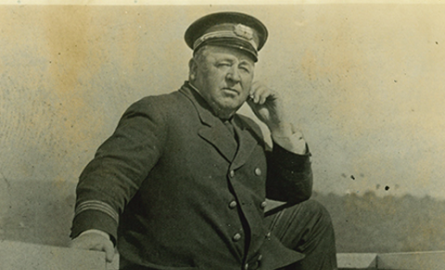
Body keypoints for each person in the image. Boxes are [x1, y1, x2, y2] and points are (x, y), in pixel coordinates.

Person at [69, 11, 337, 270]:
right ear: (194, 69)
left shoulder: (249, 130)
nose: (234, 76)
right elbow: (109, 175)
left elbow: (295, 193)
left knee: (312, 217)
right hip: (175, 264)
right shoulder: (160, 113)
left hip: (240, 259)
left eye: (244, 68)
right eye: (223, 65)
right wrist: (94, 229)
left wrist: (278, 128)